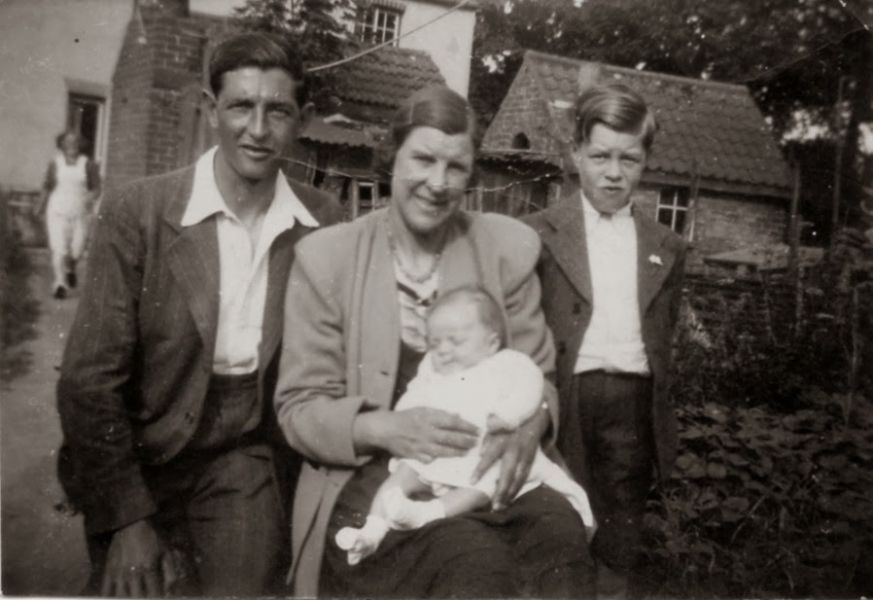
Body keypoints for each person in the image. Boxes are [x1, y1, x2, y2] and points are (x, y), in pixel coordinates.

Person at [274, 84, 596, 598]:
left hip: (488, 466)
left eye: (456, 167)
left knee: (559, 538)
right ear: (392, 158)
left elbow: (539, 378)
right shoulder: (328, 258)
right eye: (423, 160)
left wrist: (529, 425)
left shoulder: (505, 248)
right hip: (376, 478)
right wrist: (387, 428)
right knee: (472, 562)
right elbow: (300, 408)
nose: (438, 183)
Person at [56, 31, 342, 597]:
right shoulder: (137, 211)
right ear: (211, 109)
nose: (257, 129)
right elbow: (88, 381)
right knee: (134, 586)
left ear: (303, 119)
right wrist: (127, 521)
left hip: (243, 454)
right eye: (240, 106)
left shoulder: (321, 219)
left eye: (277, 111)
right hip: (139, 449)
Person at [524, 82, 687, 599]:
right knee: (560, 515)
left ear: (645, 162)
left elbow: (662, 334)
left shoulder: (666, 245)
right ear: (576, 154)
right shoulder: (538, 233)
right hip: (564, 396)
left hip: (632, 404)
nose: (614, 172)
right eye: (600, 157)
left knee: (620, 525)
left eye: (628, 159)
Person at [334, 285, 597, 566]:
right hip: (434, 453)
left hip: (481, 453)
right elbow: (413, 396)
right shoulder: (431, 368)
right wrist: (407, 418)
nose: (443, 350)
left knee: (482, 484)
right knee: (400, 476)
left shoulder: (508, 363)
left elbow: (531, 388)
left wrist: (507, 417)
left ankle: (427, 514)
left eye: (456, 341)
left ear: (491, 342)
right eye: (435, 343)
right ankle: (372, 532)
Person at [35, 130, 101, 299]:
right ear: (62, 145)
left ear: (80, 145)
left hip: (80, 213)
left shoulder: (88, 164)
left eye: (75, 142)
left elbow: (96, 188)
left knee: (77, 250)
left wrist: (89, 198)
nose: (72, 145)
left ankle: (71, 267)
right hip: (57, 211)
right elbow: (47, 186)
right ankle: (59, 284)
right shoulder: (55, 163)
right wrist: (39, 206)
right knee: (59, 249)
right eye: (68, 142)